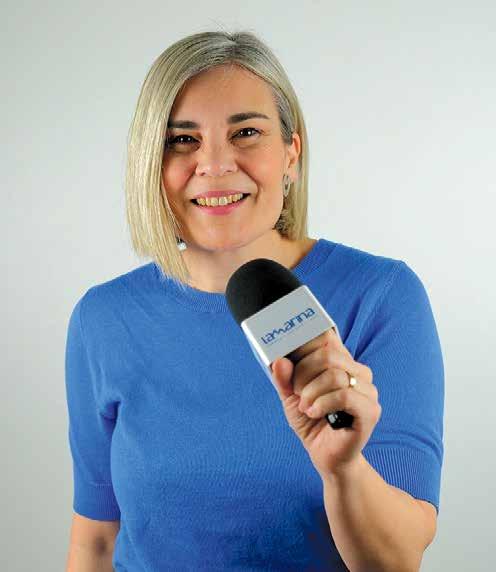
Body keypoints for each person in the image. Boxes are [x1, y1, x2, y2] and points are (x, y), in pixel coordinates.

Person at [64, 30, 444, 572]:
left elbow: (398, 560)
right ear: (151, 163)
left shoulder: (380, 297)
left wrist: (342, 471)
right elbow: (96, 541)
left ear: (291, 154)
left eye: (245, 132)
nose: (215, 164)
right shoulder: (103, 320)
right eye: (182, 140)